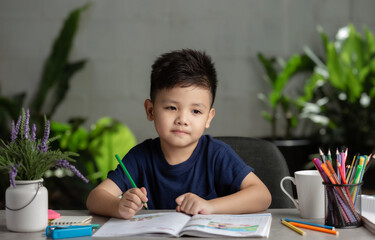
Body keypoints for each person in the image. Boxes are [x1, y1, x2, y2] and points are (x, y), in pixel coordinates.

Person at [86, 49, 271, 219]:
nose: (182, 119)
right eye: (171, 107)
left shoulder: (217, 155)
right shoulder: (140, 157)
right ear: (150, 110)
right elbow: (95, 198)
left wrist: (210, 206)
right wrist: (119, 205)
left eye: (196, 111)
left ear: (209, 117)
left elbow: (262, 195)